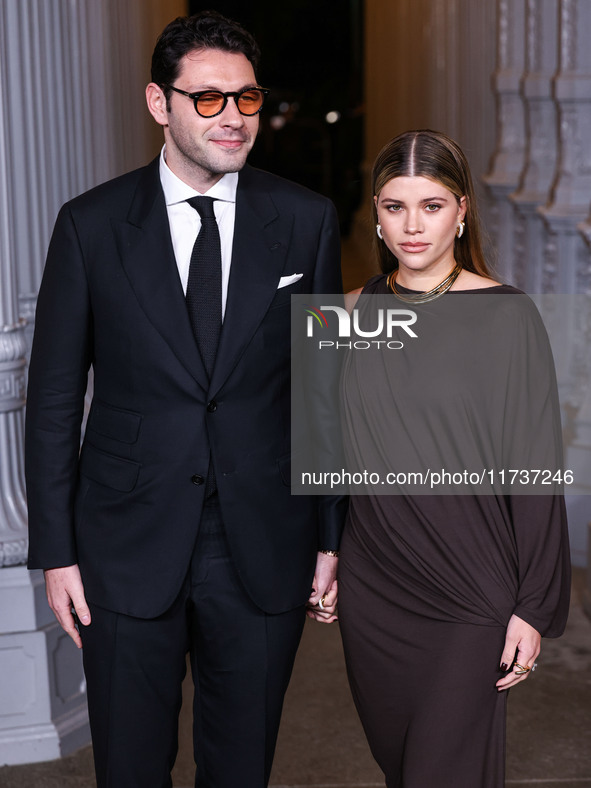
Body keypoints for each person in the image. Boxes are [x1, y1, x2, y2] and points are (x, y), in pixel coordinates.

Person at [25, 11, 344, 788]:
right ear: (157, 103)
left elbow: (326, 392)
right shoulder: (90, 226)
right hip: (124, 544)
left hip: (264, 541)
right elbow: (55, 400)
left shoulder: (305, 221)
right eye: (206, 99)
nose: (231, 117)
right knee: (130, 768)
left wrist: (330, 536)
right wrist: (56, 551)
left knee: (241, 768)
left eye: (244, 98)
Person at [337, 130, 571, 787]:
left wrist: (532, 603)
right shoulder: (346, 314)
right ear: (376, 212)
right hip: (375, 585)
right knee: (402, 764)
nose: (412, 226)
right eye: (394, 206)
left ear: (461, 211)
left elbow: (533, 468)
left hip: (472, 586)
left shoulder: (506, 316)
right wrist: (324, 554)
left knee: (441, 770)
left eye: (432, 206)